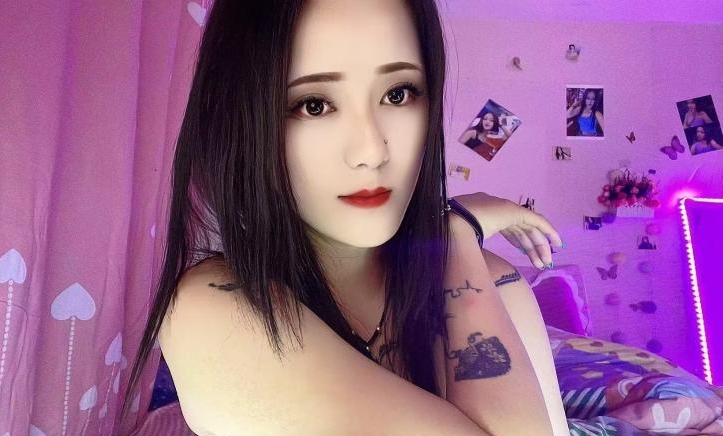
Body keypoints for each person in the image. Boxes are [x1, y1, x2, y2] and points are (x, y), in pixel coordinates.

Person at [122, 1, 570, 435]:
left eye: (397, 94)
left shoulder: (493, 280)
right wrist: (457, 229)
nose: (371, 151)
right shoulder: (215, 308)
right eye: (314, 105)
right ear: (241, 119)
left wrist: (453, 236)